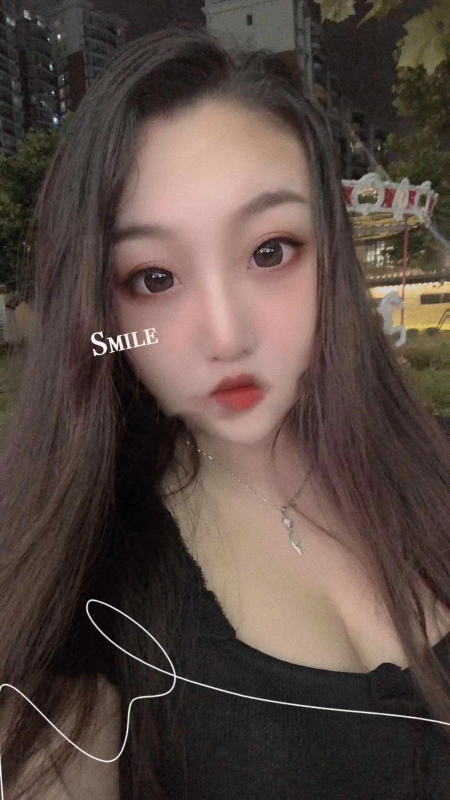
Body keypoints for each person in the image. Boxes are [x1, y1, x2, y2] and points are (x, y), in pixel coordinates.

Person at [0, 24, 449, 800]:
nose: (226, 334)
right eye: (154, 278)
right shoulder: (90, 607)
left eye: (270, 251)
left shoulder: (433, 462)